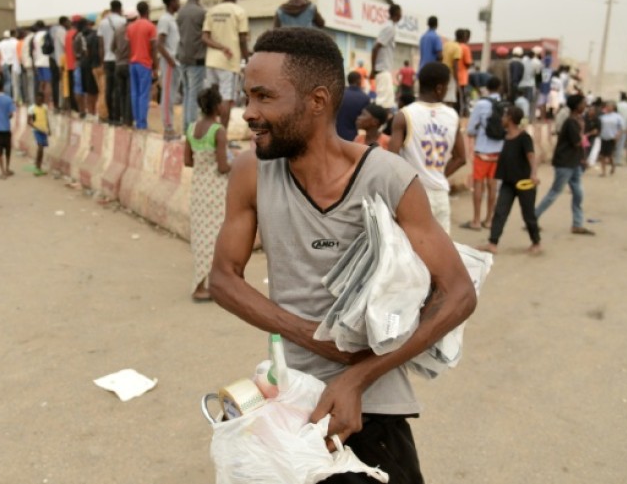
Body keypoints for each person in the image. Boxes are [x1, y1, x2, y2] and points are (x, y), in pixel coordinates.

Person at [209, 27, 476, 484]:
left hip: (375, 398)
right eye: (246, 96)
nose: (248, 113)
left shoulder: (388, 178)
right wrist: (312, 336)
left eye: (263, 97)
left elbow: (458, 294)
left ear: (316, 101)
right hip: (291, 396)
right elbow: (223, 279)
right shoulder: (251, 171)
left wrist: (357, 376)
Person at [388, 62, 466, 234]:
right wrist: (438, 175)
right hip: (440, 194)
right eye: (447, 86)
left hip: (413, 195)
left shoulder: (404, 115)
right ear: (439, 88)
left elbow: (390, 160)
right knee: (441, 254)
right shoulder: (452, 116)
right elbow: (461, 158)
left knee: (411, 253)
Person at [183, 86, 231, 302]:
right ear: (216, 105)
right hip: (216, 189)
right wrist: (237, 163)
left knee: (202, 237)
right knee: (216, 236)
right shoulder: (218, 131)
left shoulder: (192, 128)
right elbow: (222, 167)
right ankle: (204, 286)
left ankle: (202, 282)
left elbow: (187, 161)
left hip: (199, 189)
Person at [479, 106, 540, 255]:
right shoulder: (506, 137)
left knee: (528, 213)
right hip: (508, 182)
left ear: (511, 118)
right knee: (500, 211)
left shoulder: (524, 137)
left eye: (505, 116)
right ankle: (493, 242)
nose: (502, 119)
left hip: (524, 183)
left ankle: (536, 242)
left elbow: (531, 156)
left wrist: (534, 174)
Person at [534, 94, 595, 235]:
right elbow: (577, 143)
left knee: (578, 193)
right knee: (555, 192)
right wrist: (584, 135)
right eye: (583, 103)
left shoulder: (577, 121)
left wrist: (582, 158)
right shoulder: (572, 122)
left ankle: (577, 224)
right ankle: (533, 218)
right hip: (565, 163)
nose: (585, 105)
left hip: (573, 162)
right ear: (577, 106)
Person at [202, 0, 250, 130]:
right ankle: (222, 136)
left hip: (211, 62)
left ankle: (209, 133)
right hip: (229, 63)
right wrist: (247, 59)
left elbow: (204, 37)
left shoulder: (212, 11)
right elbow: (243, 39)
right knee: (226, 99)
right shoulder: (239, 11)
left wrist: (220, 47)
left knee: (211, 98)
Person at [460, 76, 504, 232]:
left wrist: (479, 129)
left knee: (478, 184)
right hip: (499, 151)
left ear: (487, 88)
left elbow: (471, 130)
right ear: (499, 88)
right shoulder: (504, 104)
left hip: (482, 151)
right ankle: (489, 220)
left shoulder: (481, 104)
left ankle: (476, 220)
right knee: (493, 186)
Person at [177, 0, 207, 133]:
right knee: (194, 96)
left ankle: (185, 128)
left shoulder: (180, 12)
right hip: (197, 58)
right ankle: (191, 129)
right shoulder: (201, 12)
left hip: (183, 57)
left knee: (187, 94)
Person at [126, 1, 157, 130]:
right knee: (144, 94)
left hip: (132, 63)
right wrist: (155, 66)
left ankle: (137, 121)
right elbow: (154, 48)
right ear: (148, 11)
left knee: (135, 93)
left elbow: (128, 47)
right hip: (145, 63)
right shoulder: (151, 26)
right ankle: (142, 124)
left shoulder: (131, 27)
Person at [157, 0, 182, 140]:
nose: (179, 3)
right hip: (169, 63)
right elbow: (159, 44)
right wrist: (171, 60)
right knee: (167, 97)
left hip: (175, 63)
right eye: (177, 0)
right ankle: (168, 129)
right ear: (171, 2)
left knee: (172, 96)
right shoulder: (165, 20)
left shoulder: (172, 19)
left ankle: (170, 126)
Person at [370, 4, 401, 111]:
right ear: (396, 14)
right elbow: (375, 48)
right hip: (382, 69)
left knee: (387, 103)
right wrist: (373, 69)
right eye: (400, 13)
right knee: (384, 104)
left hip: (384, 69)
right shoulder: (390, 28)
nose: (401, 16)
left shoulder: (389, 27)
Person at [99, 0, 126, 125]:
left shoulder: (103, 22)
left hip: (107, 59)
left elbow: (100, 44)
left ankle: (110, 116)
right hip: (119, 59)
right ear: (119, 8)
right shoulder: (122, 21)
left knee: (108, 89)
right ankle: (117, 116)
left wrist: (102, 61)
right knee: (119, 89)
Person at [113, 9, 136, 127]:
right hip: (129, 63)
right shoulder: (133, 30)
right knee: (129, 93)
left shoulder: (118, 30)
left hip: (118, 64)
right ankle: (128, 120)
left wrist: (118, 55)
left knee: (121, 93)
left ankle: (123, 119)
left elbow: (112, 47)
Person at [335, 71, 370, 142]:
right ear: (359, 81)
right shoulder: (365, 98)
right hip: (352, 137)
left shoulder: (339, 94)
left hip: (335, 135)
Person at [597, 101, 625, 177]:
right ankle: (603, 172)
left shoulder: (617, 117)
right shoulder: (603, 117)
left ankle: (613, 165)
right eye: (607, 106)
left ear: (613, 107)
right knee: (602, 155)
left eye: (609, 106)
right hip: (603, 137)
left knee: (609, 154)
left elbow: (621, 127)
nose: (608, 107)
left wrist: (618, 136)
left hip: (612, 137)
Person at [32, 21, 52, 110]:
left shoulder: (35, 36)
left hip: (38, 61)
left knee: (41, 83)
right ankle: (47, 103)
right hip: (46, 62)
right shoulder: (46, 34)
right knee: (48, 83)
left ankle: (40, 102)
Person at [29, 92, 50, 176]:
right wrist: (36, 127)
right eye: (38, 100)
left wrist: (49, 129)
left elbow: (46, 118)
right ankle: (37, 168)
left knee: (42, 150)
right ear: (35, 99)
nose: (39, 101)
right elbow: (29, 121)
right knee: (40, 148)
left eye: (41, 100)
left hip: (44, 130)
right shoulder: (31, 108)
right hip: (37, 131)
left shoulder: (45, 107)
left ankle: (39, 167)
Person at [50, 16, 69, 109]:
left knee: (59, 82)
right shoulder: (62, 31)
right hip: (62, 59)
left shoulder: (55, 31)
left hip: (57, 59)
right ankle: (62, 104)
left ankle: (59, 104)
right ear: (64, 22)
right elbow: (66, 45)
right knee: (63, 83)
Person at [441, 30, 462, 110]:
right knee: (450, 98)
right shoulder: (457, 47)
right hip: (450, 72)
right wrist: (457, 80)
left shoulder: (446, 44)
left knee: (444, 95)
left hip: (442, 71)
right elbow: (455, 64)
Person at [0, 30, 18, 99]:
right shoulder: (15, 42)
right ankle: (15, 96)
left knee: (7, 81)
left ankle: (7, 97)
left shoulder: (0, 44)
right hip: (14, 64)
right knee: (15, 82)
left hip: (4, 63)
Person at [456, 29, 473, 116]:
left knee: (457, 99)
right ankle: (464, 114)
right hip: (462, 77)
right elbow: (468, 63)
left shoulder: (454, 46)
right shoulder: (465, 48)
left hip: (454, 77)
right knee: (463, 98)